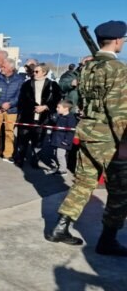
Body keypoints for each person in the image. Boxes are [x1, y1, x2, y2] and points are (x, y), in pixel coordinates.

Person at [46, 20, 127, 255]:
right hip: (108, 138)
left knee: (83, 183)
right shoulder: (118, 69)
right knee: (120, 191)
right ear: (118, 41)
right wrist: (124, 143)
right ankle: (108, 240)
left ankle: (61, 227)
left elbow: (81, 100)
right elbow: (118, 110)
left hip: (88, 132)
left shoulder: (88, 68)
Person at [15, 63, 61, 168]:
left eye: (37, 71)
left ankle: (35, 160)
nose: (34, 73)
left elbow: (57, 100)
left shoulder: (52, 85)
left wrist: (45, 107)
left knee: (38, 141)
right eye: (34, 71)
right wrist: (32, 107)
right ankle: (20, 159)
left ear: (44, 72)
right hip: (27, 116)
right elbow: (21, 100)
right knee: (22, 140)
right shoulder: (27, 84)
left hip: (43, 118)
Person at [0, 57, 23, 162]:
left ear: (11, 68)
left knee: (9, 132)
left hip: (12, 110)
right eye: (1, 66)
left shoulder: (19, 80)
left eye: (4, 67)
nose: (1, 69)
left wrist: (10, 104)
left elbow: (19, 95)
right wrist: (0, 104)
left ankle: (8, 154)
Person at [44, 99, 78, 176]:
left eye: (58, 107)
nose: (57, 109)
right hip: (56, 139)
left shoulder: (71, 118)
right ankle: (58, 167)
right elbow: (54, 125)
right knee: (56, 154)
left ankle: (63, 170)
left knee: (60, 155)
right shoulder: (59, 116)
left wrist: (67, 141)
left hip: (63, 141)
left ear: (66, 108)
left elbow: (71, 131)